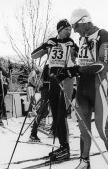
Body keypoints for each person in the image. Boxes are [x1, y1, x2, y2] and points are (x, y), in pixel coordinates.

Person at [57, 8, 108, 169]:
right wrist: (66, 68)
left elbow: (103, 64)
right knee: (84, 130)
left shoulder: (103, 35)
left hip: (97, 87)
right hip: (83, 90)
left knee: (103, 131)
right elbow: (81, 63)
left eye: (76, 26)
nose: (75, 30)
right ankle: (84, 163)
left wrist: (77, 69)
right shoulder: (82, 38)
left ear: (85, 21)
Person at [30, 19, 78, 160]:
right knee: (56, 115)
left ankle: (66, 147)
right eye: (66, 29)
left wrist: (75, 48)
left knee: (62, 114)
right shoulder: (52, 42)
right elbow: (33, 55)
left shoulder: (71, 44)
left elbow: (80, 58)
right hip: (53, 81)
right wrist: (45, 45)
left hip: (66, 80)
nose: (69, 31)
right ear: (59, 30)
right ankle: (62, 146)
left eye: (70, 29)